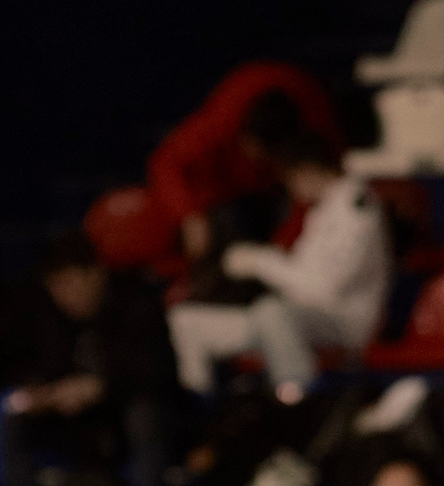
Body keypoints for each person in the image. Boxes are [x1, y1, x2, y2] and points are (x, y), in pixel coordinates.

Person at [168, 128, 392, 399]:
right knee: (186, 320)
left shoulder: (357, 207)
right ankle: (203, 411)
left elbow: (323, 289)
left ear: (307, 170)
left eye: (290, 179)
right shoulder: (322, 211)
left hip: (346, 321)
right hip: (300, 316)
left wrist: (261, 262)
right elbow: (300, 276)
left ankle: (295, 402)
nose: (291, 188)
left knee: (272, 312)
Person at [0, 232, 184, 486]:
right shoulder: (52, 315)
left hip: (127, 415)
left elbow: (159, 373)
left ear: (95, 274)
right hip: (79, 423)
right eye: (56, 287)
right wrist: (45, 393)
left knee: (144, 416)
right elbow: (36, 364)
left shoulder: (136, 302)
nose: (64, 296)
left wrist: (101, 388)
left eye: (70, 284)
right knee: (13, 416)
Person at [147, 64, 344, 273]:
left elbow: (314, 201)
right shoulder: (224, 118)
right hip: (223, 202)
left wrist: (279, 256)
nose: (253, 159)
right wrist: (189, 216)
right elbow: (165, 163)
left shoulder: (317, 136)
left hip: (273, 202)